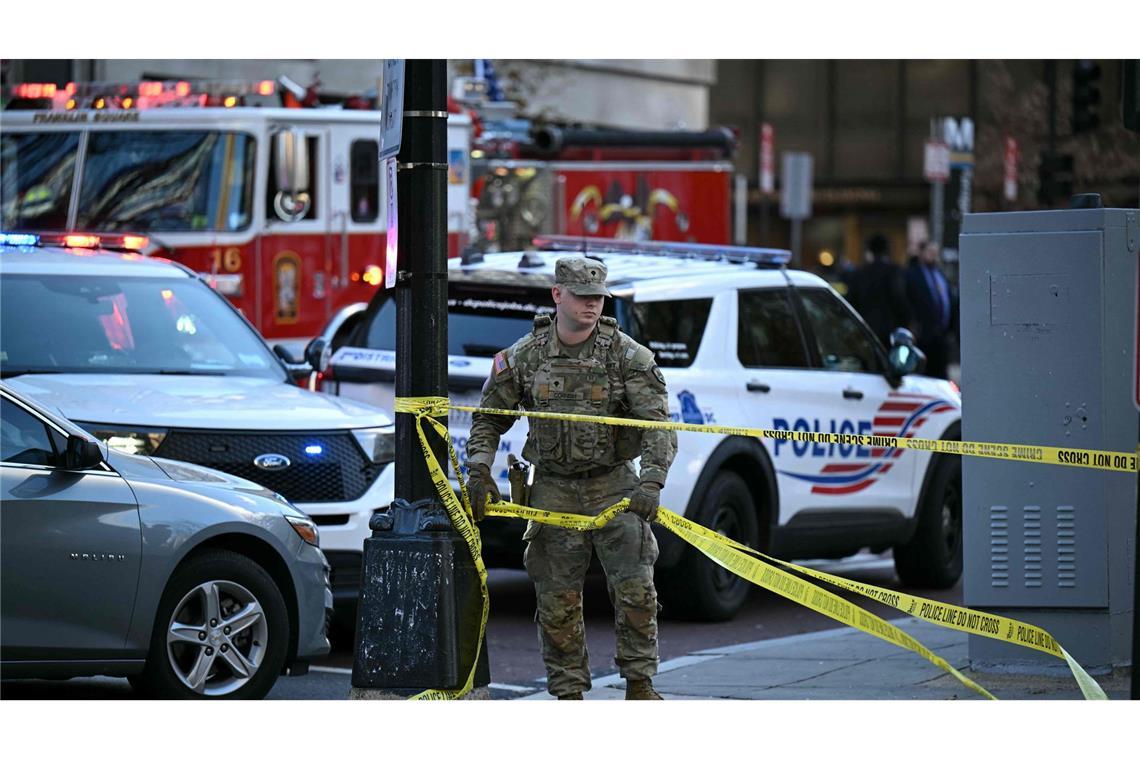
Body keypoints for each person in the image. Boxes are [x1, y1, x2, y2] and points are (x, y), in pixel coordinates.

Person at [465, 256, 677, 700]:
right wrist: (479, 471)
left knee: (636, 589)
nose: (592, 306)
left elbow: (658, 425)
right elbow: (487, 419)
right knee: (556, 600)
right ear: (558, 295)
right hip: (553, 488)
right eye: (582, 297)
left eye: (598, 298)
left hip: (614, 486)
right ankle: (568, 694)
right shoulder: (526, 356)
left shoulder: (627, 356)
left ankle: (640, 684)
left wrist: (651, 483)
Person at [846, 233, 910, 350]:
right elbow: (899, 300)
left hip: (866, 331)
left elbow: (851, 301)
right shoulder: (894, 272)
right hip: (890, 332)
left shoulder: (860, 274)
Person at [904, 241, 955, 379]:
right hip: (923, 335)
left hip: (941, 335)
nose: (934, 256)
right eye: (930, 252)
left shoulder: (939, 274)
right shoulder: (912, 275)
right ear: (921, 253)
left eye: (935, 252)